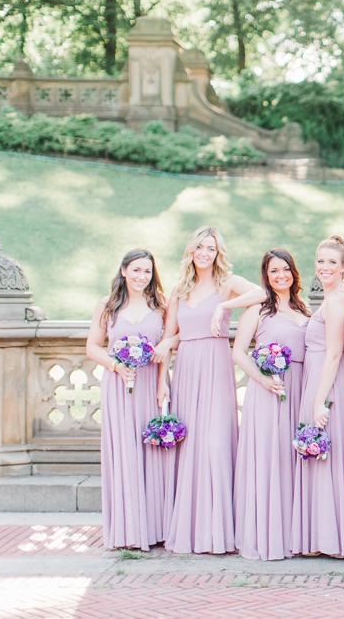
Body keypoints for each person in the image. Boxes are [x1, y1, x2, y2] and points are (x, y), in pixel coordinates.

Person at [159, 226, 262, 554]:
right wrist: (163, 379)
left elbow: (261, 293)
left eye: (212, 248)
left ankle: (219, 532)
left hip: (217, 367)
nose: (205, 253)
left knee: (215, 444)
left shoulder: (227, 283)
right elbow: (169, 337)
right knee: (191, 447)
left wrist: (222, 308)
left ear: (218, 254)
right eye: (200, 247)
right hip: (187, 368)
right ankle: (191, 531)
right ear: (191, 250)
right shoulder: (179, 289)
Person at [87, 249, 171, 551]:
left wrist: (163, 383)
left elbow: (166, 347)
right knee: (125, 453)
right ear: (124, 271)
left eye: (147, 271)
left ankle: (155, 528)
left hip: (150, 385)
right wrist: (116, 366)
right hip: (119, 386)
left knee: (153, 453)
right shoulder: (107, 307)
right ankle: (127, 530)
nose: (141, 277)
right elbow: (92, 347)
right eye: (136, 270)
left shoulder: (160, 305)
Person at [232, 249, 310, 561]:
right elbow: (238, 353)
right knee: (270, 459)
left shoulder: (304, 309)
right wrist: (264, 380)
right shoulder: (257, 311)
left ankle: (294, 535)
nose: (281, 276)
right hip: (270, 391)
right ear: (266, 276)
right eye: (274, 271)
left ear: (294, 273)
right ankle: (267, 536)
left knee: (293, 460)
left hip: (301, 389)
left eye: (286, 270)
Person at [292, 235, 344, 558]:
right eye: (321, 261)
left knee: (327, 453)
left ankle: (330, 538)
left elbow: (334, 354)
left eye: (333, 262)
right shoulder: (329, 298)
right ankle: (318, 534)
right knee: (318, 454)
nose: (325, 267)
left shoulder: (337, 301)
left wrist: (319, 400)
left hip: (327, 382)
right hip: (316, 379)